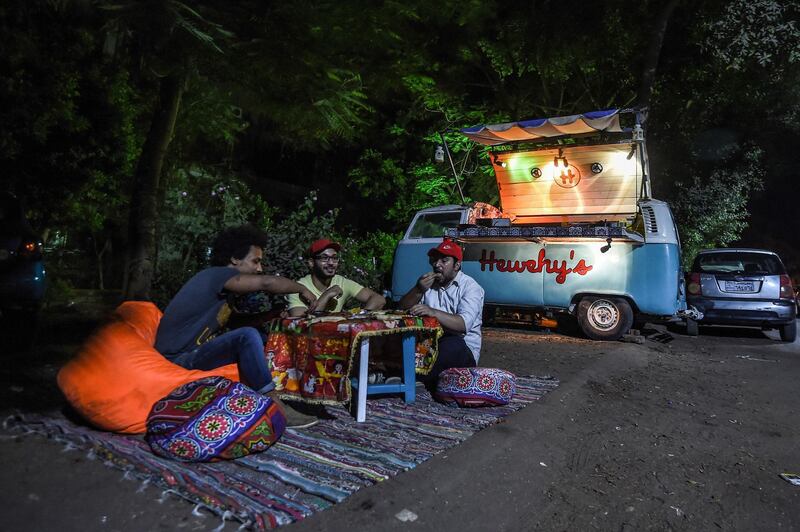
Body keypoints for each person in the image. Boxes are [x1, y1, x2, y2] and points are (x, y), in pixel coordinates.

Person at [155, 224, 318, 400]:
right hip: (177, 359)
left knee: (261, 338)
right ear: (234, 259)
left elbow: (235, 322)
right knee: (247, 336)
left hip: (194, 354)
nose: (259, 269)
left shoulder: (225, 294)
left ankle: (286, 389)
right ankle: (271, 401)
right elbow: (267, 283)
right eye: (255, 261)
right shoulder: (217, 275)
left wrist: (269, 315)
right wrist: (302, 289)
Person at [398, 239, 485, 388]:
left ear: (457, 265)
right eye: (435, 260)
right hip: (429, 345)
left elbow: (462, 325)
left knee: (453, 345)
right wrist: (418, 289)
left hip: (462, 350)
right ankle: (408, 376)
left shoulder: (471, 288)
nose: (437, 265)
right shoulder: (428, 285)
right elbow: (401, 308)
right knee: (400, 338)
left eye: (444, 261)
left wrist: (432, 312)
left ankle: (409, 378)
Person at [286, 238, 386, 316]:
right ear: (311, 263)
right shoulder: (299, 288)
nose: (331, 263)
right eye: (324, 258)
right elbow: (301, 325)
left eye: (334, 258)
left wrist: (361, 317)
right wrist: (327, 295)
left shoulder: (341, 282)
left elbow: (379, 300)